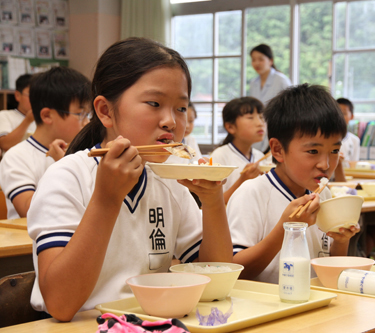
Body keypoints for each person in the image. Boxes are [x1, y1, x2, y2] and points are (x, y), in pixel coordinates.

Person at [27, 37, 232, 321]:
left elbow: (217, 283)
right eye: (154, 103)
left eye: (181, 108)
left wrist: (213, 202)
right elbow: (60, 305)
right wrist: (107, 199)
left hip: (154, 323)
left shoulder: (169, 179)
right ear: (104, 111)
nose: (171, 121)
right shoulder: (68, 176)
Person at [227, 84, 360, 283]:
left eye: (334, 151)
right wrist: (286, 227)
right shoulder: (251, 193)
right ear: (278, 150)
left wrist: (341, 241)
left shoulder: (322, 194)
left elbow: (328, 267)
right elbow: (236, 271)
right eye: (313, 151)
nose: (325, 164)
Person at [0, 67, 91, 219]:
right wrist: (62, 165)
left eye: (88, 114)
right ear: (47, 115)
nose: (87, 122)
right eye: (80, 114)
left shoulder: (83, 152)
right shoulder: (16, 157)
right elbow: (29, 211)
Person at [210, 96, 265, 204]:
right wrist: (242, 180)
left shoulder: (259, 156)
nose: (260, 123)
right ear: (230, 127)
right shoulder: (220, 156)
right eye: (250, 117)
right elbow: (213, 202)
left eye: (261, 117)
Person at [248, 44, 292, 153]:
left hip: (278, 128)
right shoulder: (253, 83)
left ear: (270, 61)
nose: (257, 63)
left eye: (261, 59)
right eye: (253, 60)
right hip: (258, 129)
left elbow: (291, 109)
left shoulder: (281, 80)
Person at [0, 74, 35, 155]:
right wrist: (28, 120)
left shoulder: (43, 119)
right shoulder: (5, 115)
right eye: (31, 94)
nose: (35, 99)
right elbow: (5, 145)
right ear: (17, 95)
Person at [336, 98, 360, 165]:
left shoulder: (354, 140)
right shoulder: (325, 137)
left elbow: (354, 164)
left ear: (351, 116)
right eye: (337, 113)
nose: (339, 116)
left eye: (344, 113)